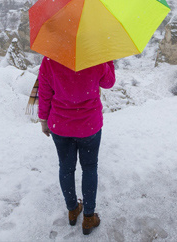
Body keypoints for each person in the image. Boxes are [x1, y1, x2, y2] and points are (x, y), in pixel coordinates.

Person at [37, 56, 116, 235]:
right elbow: (109, 82)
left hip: (60, 125)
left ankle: (73, 210)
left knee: (66, 168)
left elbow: (44, 92)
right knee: (89, 168)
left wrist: (43, 120)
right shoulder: (94, 56)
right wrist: (108, 58)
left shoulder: (51, 58)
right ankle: (88, 217)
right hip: (89, 126)